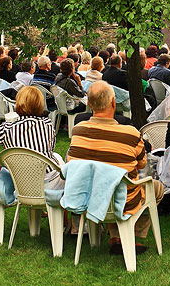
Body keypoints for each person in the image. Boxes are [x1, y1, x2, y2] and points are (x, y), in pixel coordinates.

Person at [67, 81, 163, 255]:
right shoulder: (130, 134)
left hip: (88, 196)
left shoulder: (78, 130)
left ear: (88, 103)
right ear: (113, 102)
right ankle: (129, 234)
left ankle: (115, 235)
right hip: (123, 200)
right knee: (156, 188)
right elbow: (141, 164)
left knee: (112, 181)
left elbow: (71, 162)